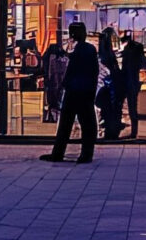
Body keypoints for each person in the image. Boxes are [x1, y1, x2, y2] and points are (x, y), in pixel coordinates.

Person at [42, 23, 102, 162]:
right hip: (85, 92)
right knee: (87, 124)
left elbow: (72, 71)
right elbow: (94, 72)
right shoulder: (89, 49)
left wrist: (64, 85)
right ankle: (86, 154)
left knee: (66, 124)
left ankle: (59, 153)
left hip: (75, 91)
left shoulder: (78, 50)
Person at [119, 35, 146, 138]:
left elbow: (124, 71)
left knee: (133, 108)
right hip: (136, 85)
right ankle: (136, 130)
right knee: (134, 108)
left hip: (130, 85)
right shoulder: (139, 58)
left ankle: (135, 131)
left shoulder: (129, 57)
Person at [41, 34, 70, 123]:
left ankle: (52, 116)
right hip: (59, 83)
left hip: (52, 83)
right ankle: (55, 115)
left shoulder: (49, 56)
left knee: (53, 100)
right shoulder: (64, 58)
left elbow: (46, 71)